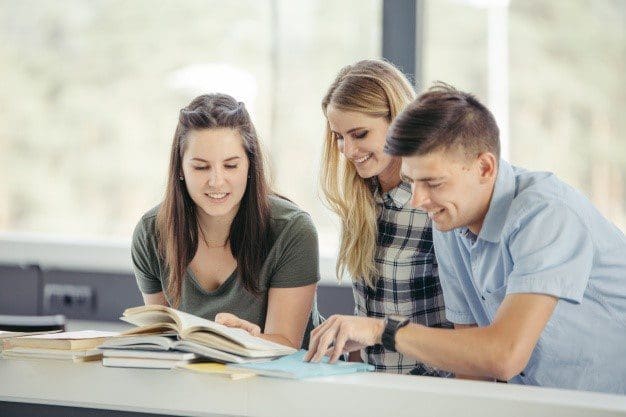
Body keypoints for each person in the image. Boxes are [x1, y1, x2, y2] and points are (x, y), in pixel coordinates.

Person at [306, 82, 626, 394]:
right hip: (540, 401)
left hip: (605, 401)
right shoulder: (450, 222)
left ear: (484, 168)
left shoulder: (545, 215)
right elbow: (473, 369)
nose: (417, 201)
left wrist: (380, 330)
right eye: (412, 182)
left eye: (433, 183)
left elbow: (504, 355)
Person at [131, 93, 321, 349]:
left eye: (231, 166)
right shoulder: (151, 233)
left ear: (250, 165)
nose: (217, 181)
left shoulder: (292, 230)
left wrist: (246, 338)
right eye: (200, 167)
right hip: (203, 382)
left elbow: (286, 346)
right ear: (180, 169)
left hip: (286, 383)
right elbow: (164, 339)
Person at [318, 59, 452, 375]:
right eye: (339, 136)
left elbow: (469, 334)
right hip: (374, 391)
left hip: (432, 396)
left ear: (399, 122)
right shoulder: (362, 202)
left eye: (360, 134)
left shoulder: (437, 207)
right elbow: (366, 325)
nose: (348, 150)